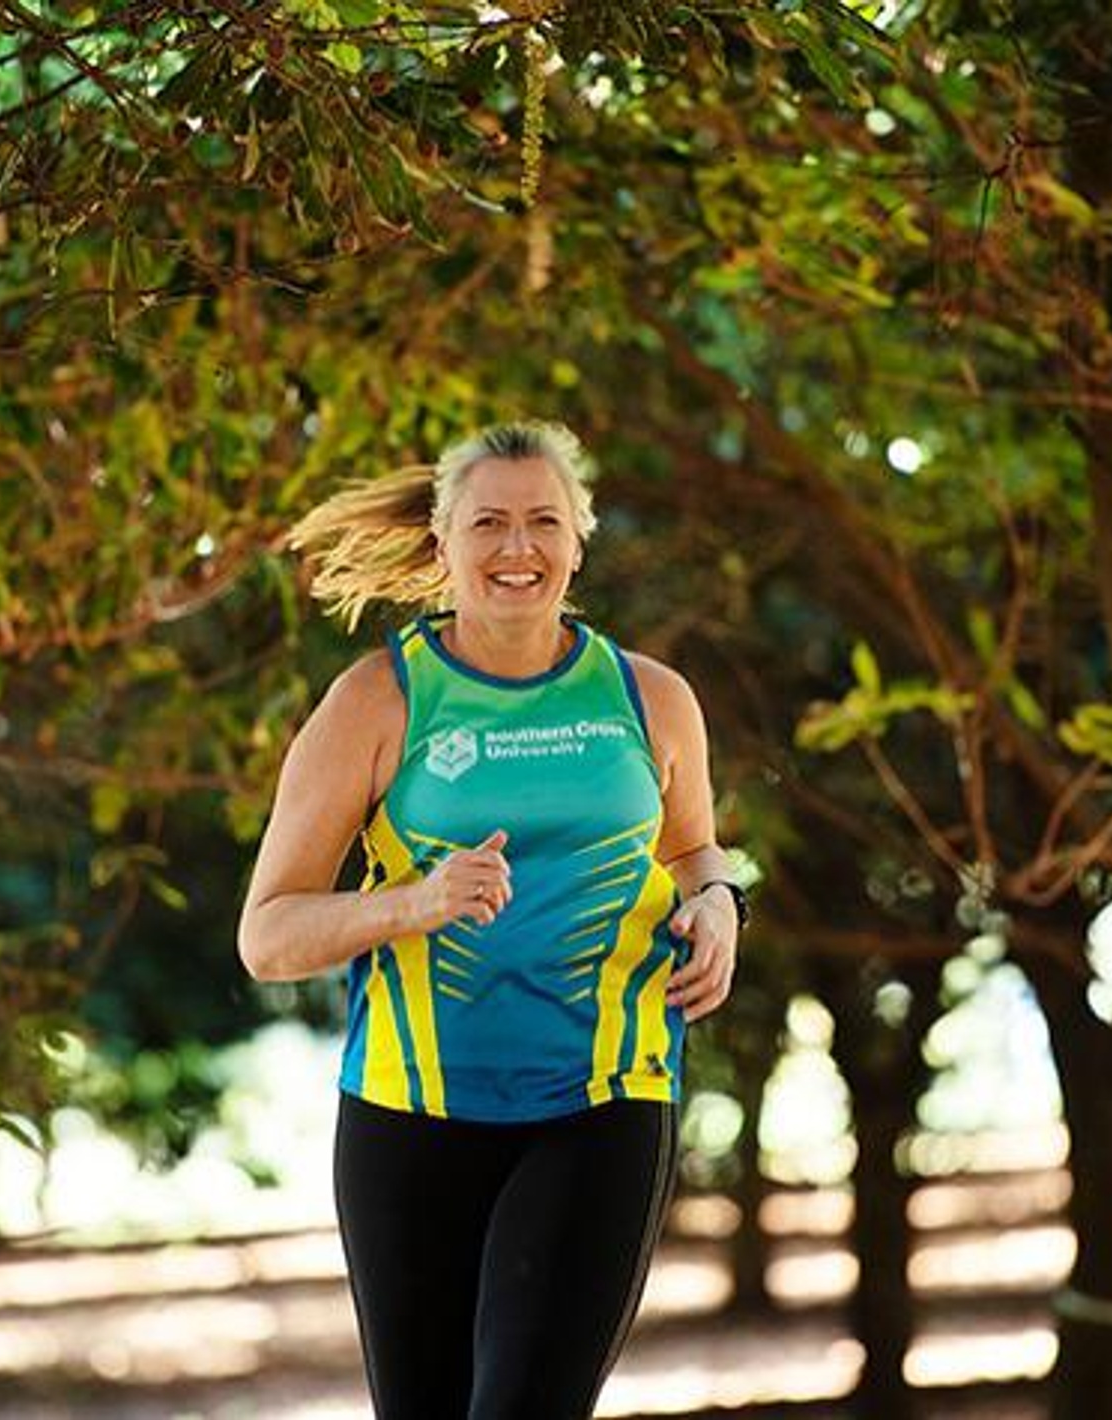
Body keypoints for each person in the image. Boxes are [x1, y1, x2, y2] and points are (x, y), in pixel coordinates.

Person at [237, 419, 745, 1420]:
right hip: (407, 1118)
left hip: (602, 1100)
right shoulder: (378, 700)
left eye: (543, 521)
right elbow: (267, 935)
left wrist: (722, 900)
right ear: (444, 538)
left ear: (578, 538)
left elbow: (694, 850)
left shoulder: (650, 699)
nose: (519, 549)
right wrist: (417, 902)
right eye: (491, 523)